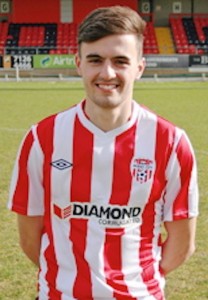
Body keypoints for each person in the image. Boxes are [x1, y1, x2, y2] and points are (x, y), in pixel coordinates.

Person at [8, 5, 199, 300]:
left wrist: (136, 282)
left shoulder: (172, 142)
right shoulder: (42, 138)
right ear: (78, 63)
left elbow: (182, 243)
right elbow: (30, 237)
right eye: (95, 60)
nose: (107, 73)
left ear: (140, 67)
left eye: (120, 61)